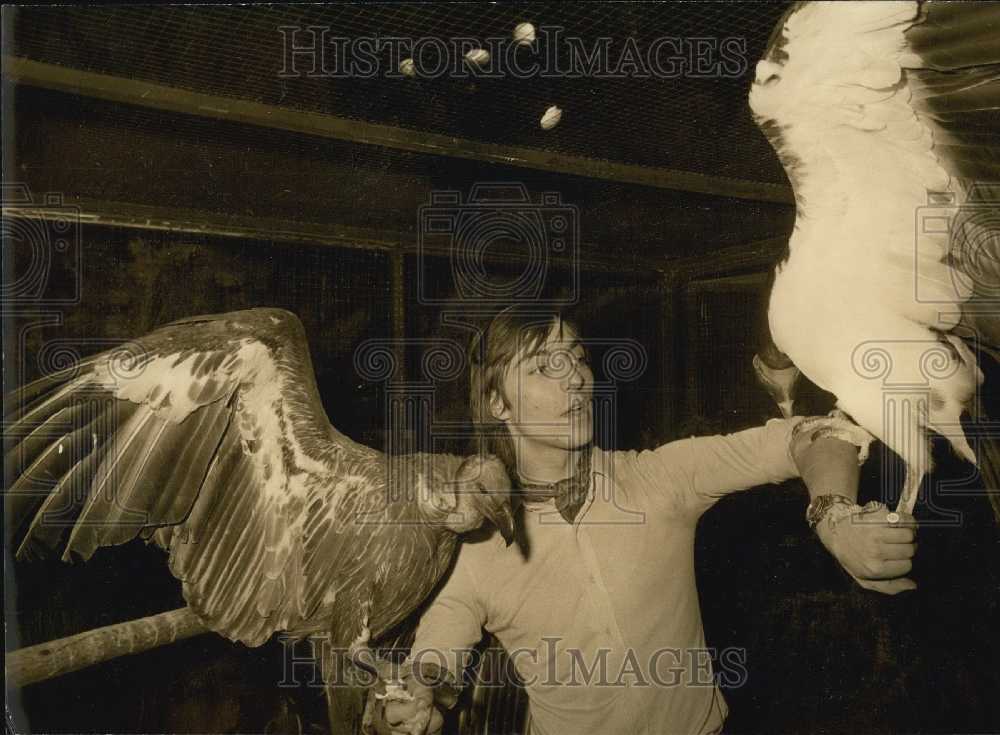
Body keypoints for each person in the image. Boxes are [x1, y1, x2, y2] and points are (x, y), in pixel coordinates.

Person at [372, 304, 918, 735]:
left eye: (579, 358)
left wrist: (834, 513)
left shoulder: (659, 479)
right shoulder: (473, 541)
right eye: (543, 367)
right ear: (497, 404)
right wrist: (411, 702)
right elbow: (435, 664)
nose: (578, 380)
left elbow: (816, 433)